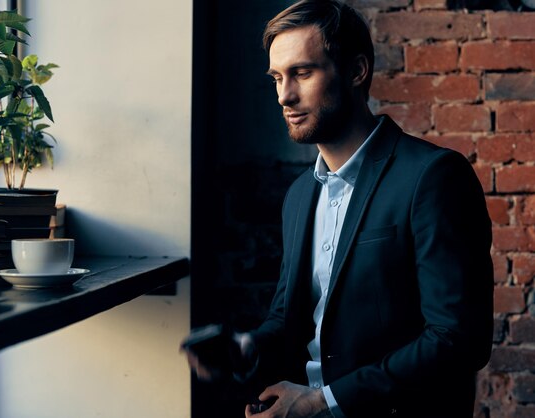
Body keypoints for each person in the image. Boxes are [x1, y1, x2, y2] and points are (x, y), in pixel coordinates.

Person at [182, 1, 494, 417]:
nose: (284, 96)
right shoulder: (299, 195)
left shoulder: (433, 177)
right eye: (277, 77)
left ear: (356, 71)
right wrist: (248, 347)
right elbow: (289, 317)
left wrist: (325, 402)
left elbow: (458, 338)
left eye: (302, 73)